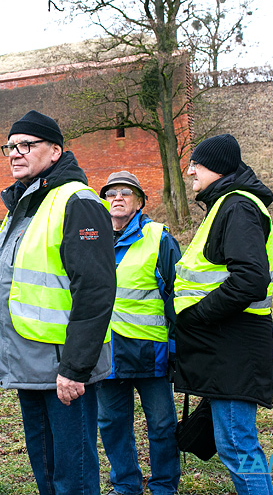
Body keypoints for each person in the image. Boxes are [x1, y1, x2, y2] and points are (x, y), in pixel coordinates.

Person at [0, 110, 116, 495]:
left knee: (72, 476)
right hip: (30, 363)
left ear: (56, 151)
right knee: (47, 471)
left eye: (27, 145)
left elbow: (95, 290)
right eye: (10, 146)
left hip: (64, 369)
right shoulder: (25, 205)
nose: (15, 153)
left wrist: (75, 367)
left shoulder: (77, 202)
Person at [173, 133, 273, 495]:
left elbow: (250, 279)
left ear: (214, 167)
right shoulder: (226, 204)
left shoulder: (237, 206)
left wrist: (198, 315)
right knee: (233, 440)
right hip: (226, 345)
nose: (190, 172)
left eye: (196, 165)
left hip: (232, 345)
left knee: (236, 443)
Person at [97, 171, 181, 495]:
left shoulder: (159, 238)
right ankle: (126, 486)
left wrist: (178, 347)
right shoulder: (92, 240)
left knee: (161, 426)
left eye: (126, 193)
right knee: (113, 426)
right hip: (106, 355)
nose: (117, 197)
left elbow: (178, 294)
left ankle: (163, 487)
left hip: (151, 353)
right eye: (111, 193)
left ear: (139, 202)